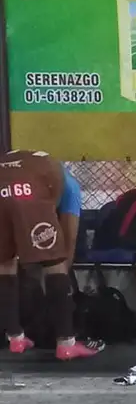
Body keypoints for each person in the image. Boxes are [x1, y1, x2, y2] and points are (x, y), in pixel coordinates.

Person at [1, 150, 103, 359]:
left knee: (4, 262)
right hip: (28, 191)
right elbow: (67, 244)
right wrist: (60, 281)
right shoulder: (70, 187)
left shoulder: (32, 165)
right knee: (56, 261)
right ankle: (66, 343)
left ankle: (15, 338)